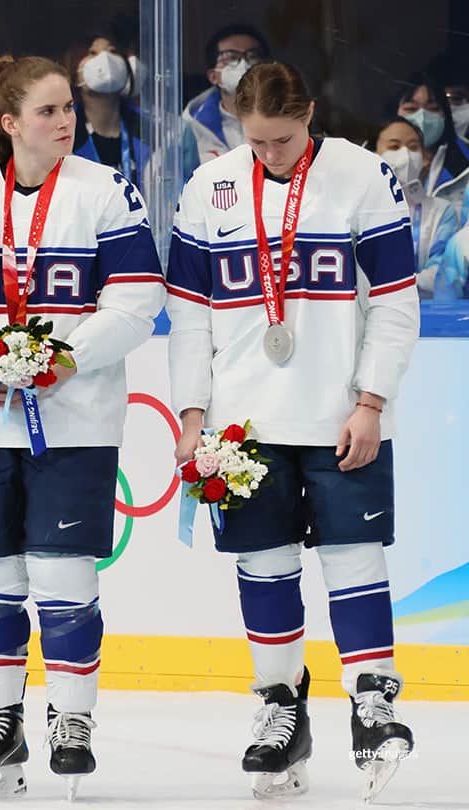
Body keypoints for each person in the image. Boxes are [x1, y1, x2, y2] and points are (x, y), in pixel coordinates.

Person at [0, 55, 163, 802]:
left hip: (75, 422)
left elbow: (138, 297)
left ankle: (72, 720)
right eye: (48, 111)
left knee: (62, 573)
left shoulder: (104, 189)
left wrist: (64, 360)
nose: (65, 121)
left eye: (68, 109)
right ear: (10, 122)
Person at [167, 62, 419, 801]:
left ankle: (372, 700)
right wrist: (191, 414)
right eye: (256, 141)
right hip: (243, 423)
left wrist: (371, 401)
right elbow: (188, 312)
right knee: (264, 569)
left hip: (342, 412)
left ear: (309, 114)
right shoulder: (208, 189)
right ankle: (280, 706)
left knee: (354, 559)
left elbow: (396, 304)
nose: (269, 154)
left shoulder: (363, 177)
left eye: (281, 139)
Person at [373, 118, 461, 297]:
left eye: (413, 147)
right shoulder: (357, 209)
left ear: (425, 159)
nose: (405, 154)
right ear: (374, 155)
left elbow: (441, 273)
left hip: (426, 314)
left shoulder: (442, 211)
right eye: (394, 147)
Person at [182, 24, 270, 165]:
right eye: (231, 57)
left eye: (252, 56)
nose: (243, 64)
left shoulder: (286, 115)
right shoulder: (192, 127)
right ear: (213, 76)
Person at [67, 35, 147, 191]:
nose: (105, 58)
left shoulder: (154, 130)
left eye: (112, 51)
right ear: (75, 74)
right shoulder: (64, 133)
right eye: (92, 53)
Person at [394, 76, 469, 205]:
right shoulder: (372, 161)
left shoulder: (464, 161)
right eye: (411, 109)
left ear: (446, 115)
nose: (422, 118)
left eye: (433, 108)